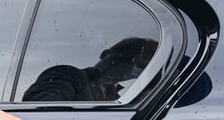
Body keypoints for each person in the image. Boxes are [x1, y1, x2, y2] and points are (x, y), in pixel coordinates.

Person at [22, 37, 157, 102]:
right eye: (130, 59)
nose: (134, 66)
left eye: (143, 66)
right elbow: (42, 112)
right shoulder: (68, 75)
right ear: (105, 54)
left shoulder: (120, 100)